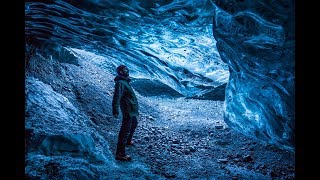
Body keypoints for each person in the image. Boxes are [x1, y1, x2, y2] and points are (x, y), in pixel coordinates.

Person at [112, 65, 139, 161]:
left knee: (134, 124)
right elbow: (117, 96)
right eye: (124, 70)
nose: (127, 71)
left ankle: (128, 141)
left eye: (127, 69)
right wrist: (115, 110)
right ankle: (120, 153)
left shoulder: (125, 81)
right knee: (125, 130)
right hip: (127, 109)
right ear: (121, 72)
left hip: (131, 109)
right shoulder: (120, 82)